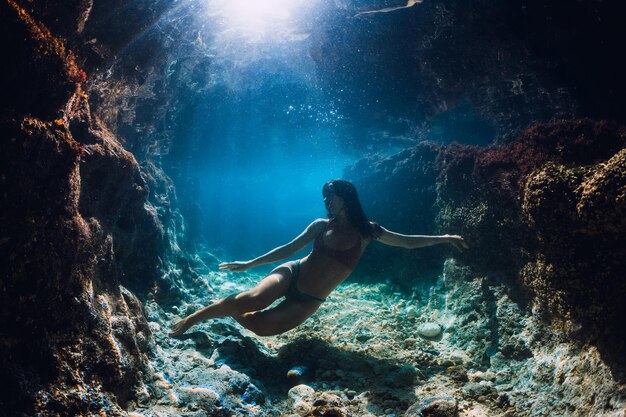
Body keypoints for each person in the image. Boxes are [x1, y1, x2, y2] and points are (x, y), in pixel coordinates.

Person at [170, 179, 468, 337]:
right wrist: (249, 264)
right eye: (325, 197)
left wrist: (443, 238)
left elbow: (406, 243)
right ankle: (194, 318)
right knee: (253, 299)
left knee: (261, 328)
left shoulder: (369, 232)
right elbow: (287, 250)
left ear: (346, 198)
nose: (326, 201)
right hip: (293, 273)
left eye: (331, 196)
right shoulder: (320, 225)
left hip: (309, 300)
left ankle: (229, 311)